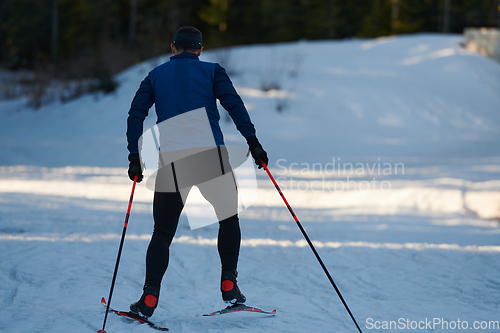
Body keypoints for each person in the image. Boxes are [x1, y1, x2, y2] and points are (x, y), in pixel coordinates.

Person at [126, 26, 268, 318]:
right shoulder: (213, 71)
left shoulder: (154, 76)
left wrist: (134, 156)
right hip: (210, 157)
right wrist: (253, 142)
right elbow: (234, 105)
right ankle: (229, 282)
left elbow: (136, 113)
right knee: (228, 218)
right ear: (200, 50)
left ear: (173, 47)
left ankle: (150, 296)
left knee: (162, 232)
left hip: (172, 162)